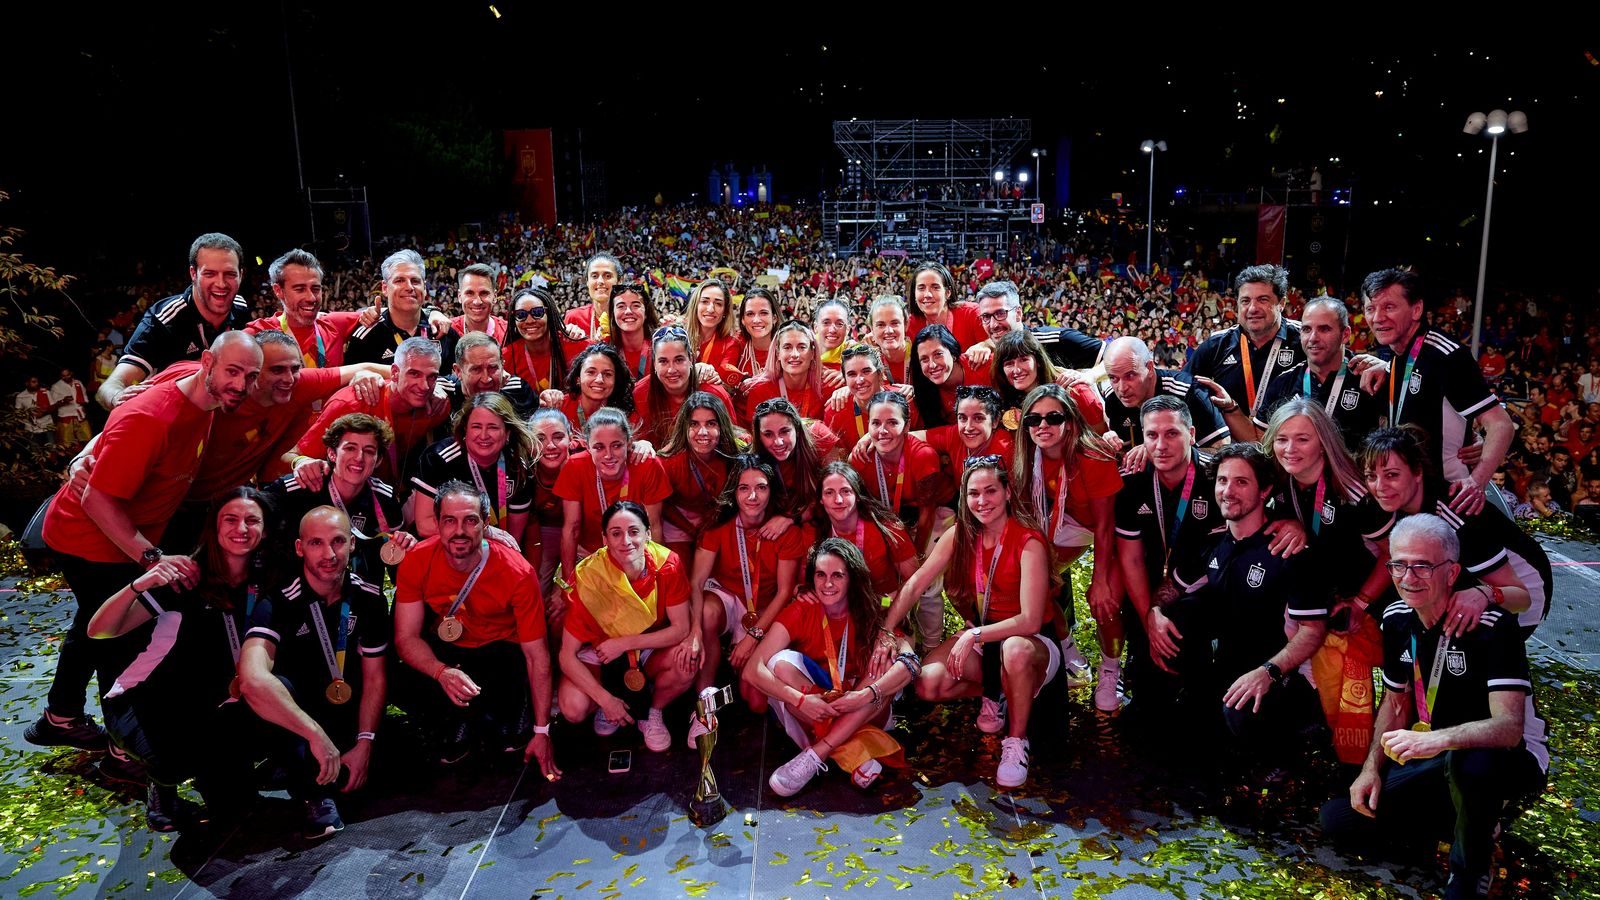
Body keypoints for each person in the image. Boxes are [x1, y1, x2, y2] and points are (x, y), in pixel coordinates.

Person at [28, 332, 263, 776]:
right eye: (233, 372)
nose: (241, 384)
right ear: (208, 362)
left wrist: (93, 447)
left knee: (91, 624)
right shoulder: (155, 417)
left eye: (249, 376)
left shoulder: (189, 379)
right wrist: (153, 558)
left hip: (121, 532)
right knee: (122, 638)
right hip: (90, 538)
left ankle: (60, 716)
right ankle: (125, 753)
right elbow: (97, 501)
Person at [1320, 514, 1548, 900]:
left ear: (1452, 571)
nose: (1408, 577)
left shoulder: (1492, 626)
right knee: (1339, 819)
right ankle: (1475, 819)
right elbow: (1395, 701)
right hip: (1438, 755)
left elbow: (1508, 728)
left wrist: (1437, 740)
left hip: (1508, 758)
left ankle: (1469, 871)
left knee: (1472, 761)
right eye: (1399, 564)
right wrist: (1371, 769)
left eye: (1423, 565)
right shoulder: (1396, 619)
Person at [87, 487, 276, 831]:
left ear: (265, 530)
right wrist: (138, 585)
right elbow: (98, 631)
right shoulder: (186, 577)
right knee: (174, 757)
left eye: (252, 520)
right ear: (214, 528)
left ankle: (215, 769)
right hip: (149, 702)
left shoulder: (266, 580)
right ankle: (162, 784)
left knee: (238, 803)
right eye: (230, 520)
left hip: (216, 702)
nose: (242, 529)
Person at [885, 455, 1057, 789]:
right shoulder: (960, 534)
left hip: (1030, 644)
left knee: (1015, 650)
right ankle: (1000, 694)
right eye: (973, 493)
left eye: (990, 491)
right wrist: (886, 628)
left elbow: (1031, 621)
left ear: (1007, 492)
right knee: (927, 683)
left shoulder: (1028, 541)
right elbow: (918, 581)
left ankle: (1016, 741)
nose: (981, 501)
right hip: (986, 640)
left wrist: (974, 634)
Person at [1161, 443, 1330, 761]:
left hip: (1282, 674)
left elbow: (1313, 630)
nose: (1228, 491)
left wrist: (1268, 672)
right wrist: (1154, 612)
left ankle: (1285, 753)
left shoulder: (1287, 550)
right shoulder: (1214, 540)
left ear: (1265, 489)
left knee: (1241, 714)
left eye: (1241, 482)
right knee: (1178, 615)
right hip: (1229, 667)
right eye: (1223, 481)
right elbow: (1175, 587)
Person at [239, 506, 390, 839]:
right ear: (299, 548)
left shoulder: (370, 599)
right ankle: (312, 794)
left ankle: (348, 753)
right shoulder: (277, 603)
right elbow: (251, 678)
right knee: (274, 687)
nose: (329, 554)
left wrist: (365, 743)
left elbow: (376, 678)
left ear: (352, 544)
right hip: (299, 719)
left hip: (346, 710)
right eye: (316, 543)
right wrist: (315, 735)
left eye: (338, 542)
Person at [392, 480, 557, 775]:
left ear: (485, 523)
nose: (459, 531)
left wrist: (542, 731)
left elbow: (537, 655)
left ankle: (489, 709)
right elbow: (406, 638)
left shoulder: (517, 572)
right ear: (438, 524)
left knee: (514, 738)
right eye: (449, 521)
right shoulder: (417, 560)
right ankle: (460, 714)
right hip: (451, 650)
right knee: (398, 677)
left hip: (502, 652)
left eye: (470, 520)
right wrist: (441, 672)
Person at [747, 539, 918, 796]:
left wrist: (863, 695)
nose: (827, 584)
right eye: (820, 575)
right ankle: (853, 752)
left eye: (837, 575)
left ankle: (817, 754)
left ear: (852, 578)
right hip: (821, 702)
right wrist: (802, 700)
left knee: (885, 661)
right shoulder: (802, 608)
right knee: (779, 664)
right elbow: (753, 669)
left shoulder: (871, 609)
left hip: (864, 707)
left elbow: (911, 663)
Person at [1359, 427, 1551, 634]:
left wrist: (1483, 595)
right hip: (1476, 580)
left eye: (1392, 475)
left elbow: (1521, 597)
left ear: (1417, 472)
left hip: (1524, 594)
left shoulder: (1455, 515)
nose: (1380, 486)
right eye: (1371, 476)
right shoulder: (1392, 504)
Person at [1363, 269, 1515, 516]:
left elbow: (1501, 425)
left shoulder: (1445, 355)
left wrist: (1477, 482)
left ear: (1416, 310)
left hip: (1448, 500)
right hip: (1412, 499)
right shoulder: (1396, 356)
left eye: (1389, 307)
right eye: (1370, 308)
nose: (1377, 317)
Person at [1012, 383, 1125, 709]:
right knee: (1035, 584)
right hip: (1071, 521)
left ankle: (1110, 669)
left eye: (1053, 418)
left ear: (1070, 422)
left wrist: (1100, 580)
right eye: (1033, 420)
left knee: (1103, 602)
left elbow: (1105, 525)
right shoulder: (1028, 454)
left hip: (1116, 528)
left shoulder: (1092, 455)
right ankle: (1071, 657)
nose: (1042, 426)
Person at [683, 455, 806, 740]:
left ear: (771, 490)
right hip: (727, 596)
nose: (752, 496)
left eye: (761, 488)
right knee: (707, 614)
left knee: (756, 702)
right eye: (743, 488)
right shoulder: (718, 526)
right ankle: (704, 707)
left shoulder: (786, 532)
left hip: (765, 606)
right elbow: (697, 581)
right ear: (733, 491)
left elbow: (786, 591)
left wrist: (752, 637)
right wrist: (695, 632)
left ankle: (743, 669)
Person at [556, 501, 694, 751]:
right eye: (616, 533)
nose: (626, 541)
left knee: (687, 663)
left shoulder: (668, 564)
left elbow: (681, 628)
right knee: (572, 708)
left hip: (643, 646)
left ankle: (652, 712)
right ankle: (611, 703)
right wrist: (605, 700)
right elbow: (566, 656)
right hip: (601, 651)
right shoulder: (588, 576)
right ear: (604, 539)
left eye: (634, 531)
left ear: (648, 534)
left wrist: (625, 643)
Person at [98, 233, 253, 410]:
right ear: (193, 273)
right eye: (210, 274)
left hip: (216, 417)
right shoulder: (164, 319)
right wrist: (117, 397)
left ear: (241, 275)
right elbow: (111, 385)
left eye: (230, 274)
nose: (221, 284)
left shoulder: (240, 307)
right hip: (169, 417)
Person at [289, 336, 452, 491]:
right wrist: (301, 463)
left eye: (431, 377)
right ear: (394, 372)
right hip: (339, 498)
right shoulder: (350, 404)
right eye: (414, 374)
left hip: (389, 496)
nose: (424, 386)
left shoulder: (437, 407)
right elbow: (292, 457)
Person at [264, 413, 414, 581]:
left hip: (350, 592)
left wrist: (407, 547)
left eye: (369, 451)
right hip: (289, 588)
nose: (359, 458)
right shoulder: (302, 485)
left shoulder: (384, 498)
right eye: (350, 448)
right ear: (332, 454)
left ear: (378, 460)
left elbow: (396, 562)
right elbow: (253, 512)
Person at [553, 407, 671, 592]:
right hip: (587, 554)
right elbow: (571, 529)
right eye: (599, 447)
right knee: (560, 612)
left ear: (629, 443)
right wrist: (568, 585)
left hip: (633, 553)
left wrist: (651, 577)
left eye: (616, 445)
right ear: (588, 445)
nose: (608, 455)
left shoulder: (647, 465)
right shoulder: (575, 466)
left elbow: (653, 528)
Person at [1253, 297, 1386, 452]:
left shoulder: (1370, 378)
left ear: (1345, 334)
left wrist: (1389, 369)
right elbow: (1260, 440)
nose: (1313, 338)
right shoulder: (1284, 382)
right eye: (1307, 329)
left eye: (1324, 329)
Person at [1181, 265, 1305, 428]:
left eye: (1263, 299)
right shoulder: (1217, 344)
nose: (1253, 308)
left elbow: (1341, 368)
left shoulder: (1305, 339)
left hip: (1288, 447)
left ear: (1281, 303)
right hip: (1231, 446)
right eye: (1245, 301)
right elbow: (1181, 390)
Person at [412, 392, 535, 542]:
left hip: (493, 548)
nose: (483, 436)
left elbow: (511, 537)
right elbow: (424, 525)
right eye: (476, 427)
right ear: (465, 430)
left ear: (507, 433)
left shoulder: (518, 467)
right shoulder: (438, 458)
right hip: (444, 545)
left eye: (493, 427)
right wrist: (484, 531)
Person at [1098, 336, 1228, 471]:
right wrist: (1113, 447)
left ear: (1149, 367)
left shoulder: (1187, 392)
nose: (1122, 388)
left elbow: (1221, 452)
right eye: (1113, 378)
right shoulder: (1113, 399)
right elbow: (1126, 452)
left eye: (1130, 376)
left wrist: (1158, 452)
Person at [813, 461, 919, 601]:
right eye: (829, 492)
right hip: (838, 611)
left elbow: (914, 582)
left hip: (885, 608)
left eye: (846, 491)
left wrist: (885, 604)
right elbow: (805, 586)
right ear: (821, 499)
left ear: (857, 496)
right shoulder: (815, 532)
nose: (838, 500)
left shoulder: (888, 529)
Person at [243, 249, 362, 370]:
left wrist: (372, 313)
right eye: (300, 289)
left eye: (315, 289)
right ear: (278, 291)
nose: (311, 298)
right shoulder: (258, 334)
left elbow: (377, 313)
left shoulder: (335, 324)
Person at [658, 392, 738, 562]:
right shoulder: (668, 461)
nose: (702, 432)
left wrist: (713, 523)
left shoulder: (738, 451)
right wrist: (690, 529)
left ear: (722, 426)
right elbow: (663, 504)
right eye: (694, 424)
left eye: (710, 423)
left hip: (718, 517)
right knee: (680, 569)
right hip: (678, 520)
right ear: (684, 427)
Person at [963, 280, 1104, 373]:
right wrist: (986, 344)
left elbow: (1114, 353)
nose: (993, 325)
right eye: (986, 317)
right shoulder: (991, 355)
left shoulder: (1055, 340)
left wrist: (1089, 377)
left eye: (1000, 313)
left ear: (1018, 313)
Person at [631, 325, 733, 446]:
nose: (671, 370)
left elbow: (734, 443)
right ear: (654, 364)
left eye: (679, 360)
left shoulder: (714, 394)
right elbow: (633, 442)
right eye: (663, 361)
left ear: (690, 359)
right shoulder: (640, 393)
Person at [992, 329, 1107, 434]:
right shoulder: (1007, 400)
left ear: (1038, 361)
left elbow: (1100, 442)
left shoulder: (1075, 392)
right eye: (1009, 363)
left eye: (1024, 360)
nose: (1016, 370)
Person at [344, 250, 449, 366]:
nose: (409, 287)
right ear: (384, 288)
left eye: (415, 281)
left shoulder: (442, 330)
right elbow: (352, 382)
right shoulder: (366, 337)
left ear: (424, 287)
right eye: (399, 280)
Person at [752, 397, 827, 536]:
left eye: (784, 431)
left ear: (797, 430)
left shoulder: (820, 436)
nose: (778, 442)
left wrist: (791, 518)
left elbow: (839, 494)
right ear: (759, 436)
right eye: (768, 434)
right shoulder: (753, 461)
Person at [743, 321, 839, 423]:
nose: (794, 354)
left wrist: (847, 388)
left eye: (802, 347)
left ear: (812, 353)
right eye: (787, 347)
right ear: (778, 353)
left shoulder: (828, 388)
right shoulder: (760, 391)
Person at [540, 343, 635, 435]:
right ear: (578, 379)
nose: (599, 380)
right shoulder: (558, 406)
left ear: (616, 380)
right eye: (591, 372)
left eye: (607, 374)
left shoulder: (625, 412)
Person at [909, 324, 992, 429]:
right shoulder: (924, 392)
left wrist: (988, 344)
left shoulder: (982, 364)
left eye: (938, 354)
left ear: (953, 353)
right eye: (924, 359)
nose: (932, 365)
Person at [822, 344, 900, 448]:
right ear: (845, 380)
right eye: (852, 374)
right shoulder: (835, 411)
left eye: (866, 371)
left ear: (880, 373)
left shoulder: (905, 400)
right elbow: (835, 460)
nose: (859, 381)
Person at [502, 286, 570, 393]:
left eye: (537, 312)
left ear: (549, 314)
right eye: (521, 315)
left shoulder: (574, 346)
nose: (529, 321)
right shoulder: (506, 358)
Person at [906, 260, 986, 349]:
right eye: (921, 288)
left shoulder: (971, 314)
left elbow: (996, 346)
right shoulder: (908, 325)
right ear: (914, 294)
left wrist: (985, 346)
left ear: (948, 293)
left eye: (935, 287)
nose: (927, 294)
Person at [685, 278, 743, 388]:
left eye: (718, 304)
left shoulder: (731, 344)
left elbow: (723, 386)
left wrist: (713, 376)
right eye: (704, 301)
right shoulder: (678, 336)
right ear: (695, 305)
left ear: (725, 311)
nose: (711, 309)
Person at [604, 281, 662, 387]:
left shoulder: (661, 348)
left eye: (635, 305)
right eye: (621, 306)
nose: (628, 311)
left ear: (646, 313)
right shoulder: (604, 350)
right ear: (613, 314)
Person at [564, 251, 622, 344]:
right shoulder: (574, 318)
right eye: (594, 276)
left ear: (619, 281)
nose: (600, 281)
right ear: (587, 281)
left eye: (607, 276)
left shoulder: (628, 318)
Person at [449, 263, 509, 345]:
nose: (477, 302)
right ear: (459, 296)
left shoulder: (508, 333)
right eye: (469, 293)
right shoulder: (447, 330)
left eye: (484, 293)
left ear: (495, 297)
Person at [866, 296, 914, 384]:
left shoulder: (920, 355)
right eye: (881, 325)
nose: (889, 331)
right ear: (872, 329)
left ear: (906, 324)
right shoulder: (867, 362)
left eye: (895, 323)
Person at [49, 368, 92, 448]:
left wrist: (84, 403)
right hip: (66, 416)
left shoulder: (78, 383)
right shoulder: (56, 386)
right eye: (63, 376)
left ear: (71, 373)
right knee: (67, 443)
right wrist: (63, 401)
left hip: (80, 415)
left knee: (87, 440)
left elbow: (85, 397)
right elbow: (53, 405)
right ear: (60, 376)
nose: (66, 377)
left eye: (68, 375)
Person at [812, 298, 855, 372]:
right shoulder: (802, 351)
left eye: (839, 324)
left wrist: (849, 374)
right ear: (816, 327)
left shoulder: (853, 352)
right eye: (826, 323)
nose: (832, 330)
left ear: (847, 329)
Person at [15, 374, 54, 446]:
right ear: (27, 383)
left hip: (47, 426)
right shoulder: (21, 396)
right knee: (35, 451)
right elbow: (18, 413)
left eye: (37, 382)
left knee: (52, 449)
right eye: (33, 382)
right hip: (31, 429)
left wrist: (43, 413)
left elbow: (53, 407)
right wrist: (29, 416)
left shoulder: (46, 392)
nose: (37, 383)